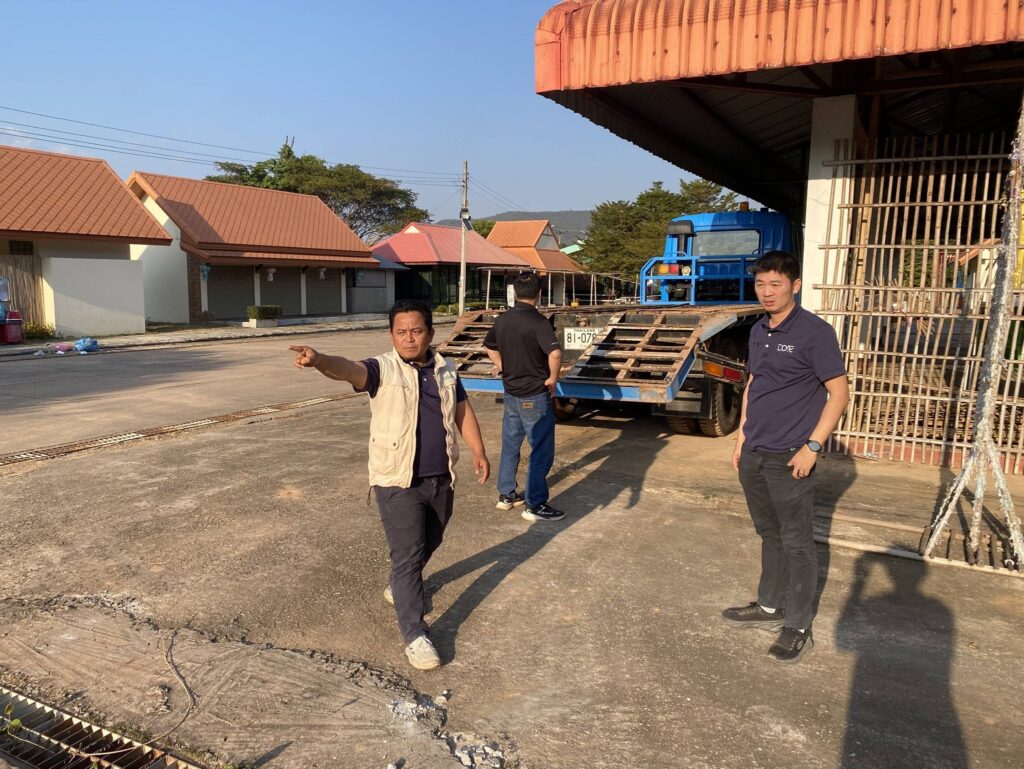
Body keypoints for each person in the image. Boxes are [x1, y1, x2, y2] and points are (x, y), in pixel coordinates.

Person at [289, 299, 490, 671]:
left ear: (430, 333)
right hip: (396, 480)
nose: (409, 338)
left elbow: (462, 410)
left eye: (416, 330)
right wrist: (319, 360)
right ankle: (415, 635)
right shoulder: (382, 368)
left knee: (431, 541)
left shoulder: (446, 368)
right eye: (401, 332)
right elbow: (350, 370)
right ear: (392, 335)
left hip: (441, 476)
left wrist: (478, 450)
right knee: (408, 555)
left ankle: (400, 585)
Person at [722, 250, 849, 664]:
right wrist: (741, 438)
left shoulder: (815, 332)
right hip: (754, 452)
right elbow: (755, 383)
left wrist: (813, 446)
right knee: (769, 533)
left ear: (794, 285)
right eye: (760, 284)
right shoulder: (759, 329)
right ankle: (769, 605)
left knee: (797, 542)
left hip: (790, 456)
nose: (767, 291)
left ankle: (797, 625)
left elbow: (839, 394)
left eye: (775, 284)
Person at [483, 272, 565, 522]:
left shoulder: (502, 320)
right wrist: (553, 378)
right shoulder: (539, 322)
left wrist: (504, 367)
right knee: (541, 450)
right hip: (534, 396)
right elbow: (555, 354)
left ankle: (506, 495)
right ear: (539, 293)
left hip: (511, 393)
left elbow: (489, 347)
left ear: (515, 293)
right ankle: (535, 504)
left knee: (510, 445)